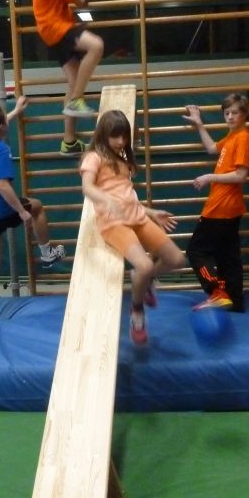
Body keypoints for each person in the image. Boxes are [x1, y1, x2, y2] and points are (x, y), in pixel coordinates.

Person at [80, 109, 186, 345]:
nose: (121, 141)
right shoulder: (94, 157)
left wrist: (151, 212)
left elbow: (128, 197)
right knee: (144, 265)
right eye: (115, 136)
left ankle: (144, 281)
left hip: (138, 217)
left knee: (177, 259)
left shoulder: (122, 158)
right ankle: (136, 310)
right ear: (103, 134)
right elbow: (87, 187)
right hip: (114, 223)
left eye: (124, 136)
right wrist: (106, 199)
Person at [0, 97, 65, 324]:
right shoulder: (1, 150)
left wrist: (15, 111)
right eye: (5, 121)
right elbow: (3, 185)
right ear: (1, 127)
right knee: (36, 207)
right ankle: (46, 252)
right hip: (1, 211)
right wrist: (21, 212)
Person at [19, 0, 103, 157]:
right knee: (96, 45)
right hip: (58, 28)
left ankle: (69, 142)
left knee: (73, 81)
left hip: (48, 31)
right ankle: (77, 100)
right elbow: (81, 2)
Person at [181, 92, 249, 312]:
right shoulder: (232, 136)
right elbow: (212, 148)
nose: (230, 116)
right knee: (227, 257)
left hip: (220, 208)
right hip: (229, 208)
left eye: (235, 112)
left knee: (195, 251)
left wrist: (209, 177)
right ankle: (234, 300)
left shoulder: (243, 138)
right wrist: (199, 124)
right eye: (226, 113)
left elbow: (240, 175)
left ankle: (216, 291)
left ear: (244, 114)